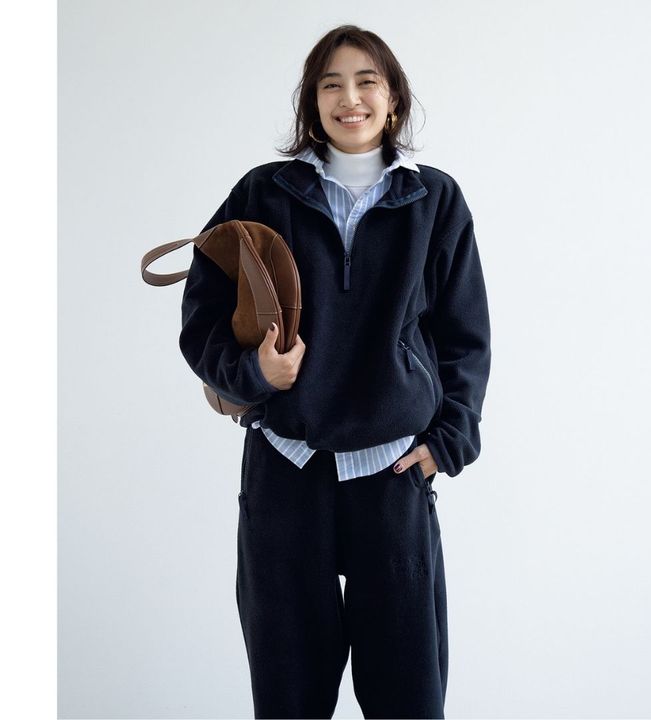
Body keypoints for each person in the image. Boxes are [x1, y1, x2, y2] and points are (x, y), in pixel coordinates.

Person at [179, 24, 491, 720]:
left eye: (366, 82)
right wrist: (253, 374)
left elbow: (465, 338)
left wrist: (448, 442)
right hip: (286, 468)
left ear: (394, 99)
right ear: (312, 103)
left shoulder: (435, 201)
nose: (350, 98)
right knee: (289, 695)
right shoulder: (262, 193)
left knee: (407, 695)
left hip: (393, 470)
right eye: (331, 85)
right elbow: (201, 317)